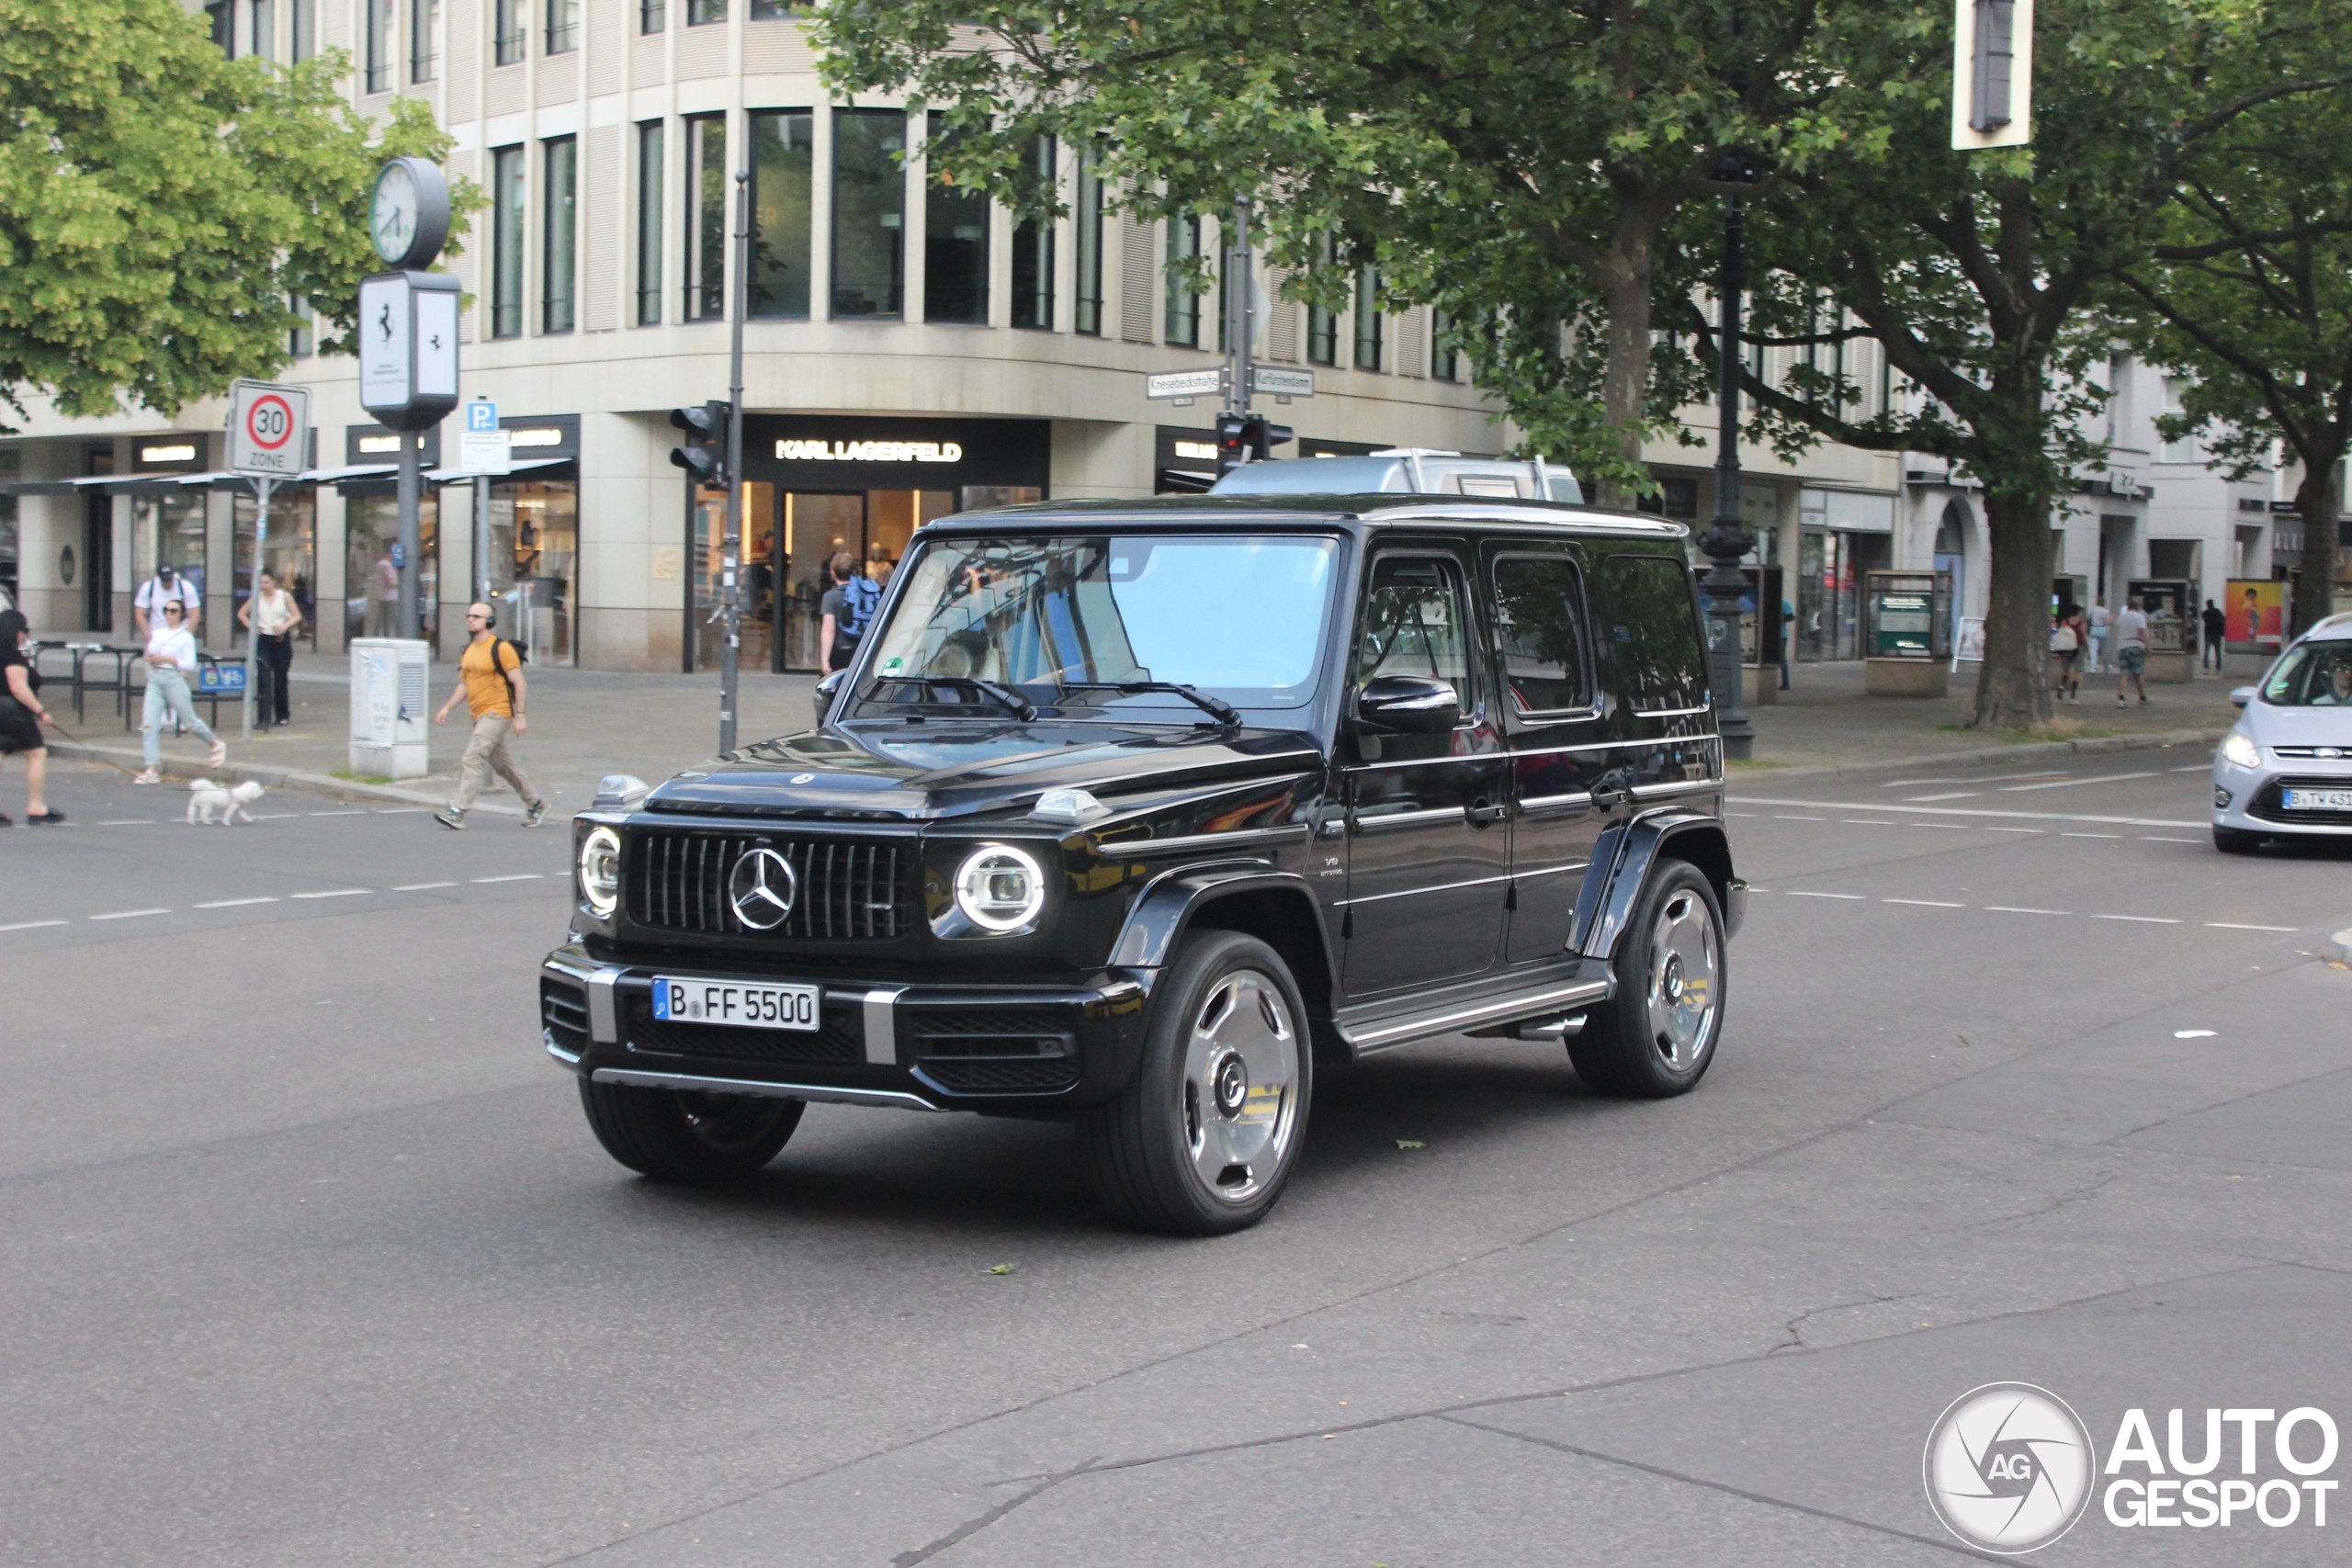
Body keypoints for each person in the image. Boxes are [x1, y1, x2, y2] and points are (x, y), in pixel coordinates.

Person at [431, 602, 548, 830]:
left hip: (498, 712)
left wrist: (520, 715)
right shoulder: (469, 651)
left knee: (472, 758)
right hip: (479, 713)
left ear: (490, 622)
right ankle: (536, 803)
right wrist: (446, 708)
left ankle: (458, 810)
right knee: (503, 765)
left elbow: (519, 682)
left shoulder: (501, 649)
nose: (471, 620)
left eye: (477, 616)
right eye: (469, 616)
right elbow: (464, 684)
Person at [133, 600, 226, 784]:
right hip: (155, 678)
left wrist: (168, 659)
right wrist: (151, 658)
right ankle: (151, 768)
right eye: (166, 610)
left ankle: (214, 743)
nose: (169, 614)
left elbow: (189, 664)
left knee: (190, 721)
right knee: (149, 724)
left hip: (174, 679)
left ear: (181, 614)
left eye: (173, 610)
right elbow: (149, 652)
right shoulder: (157, 633)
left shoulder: (185, 638)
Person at [0, 609, 65, 825]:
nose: (25, 636)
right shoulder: (12, 655)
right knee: (36, 754)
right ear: (15, 631)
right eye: (24, 631)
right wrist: (41, 712)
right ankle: (36, 806)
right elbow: (18, 687)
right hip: (13, 712)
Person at [237, 569, 302, 727]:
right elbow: (241, 614)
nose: (263, 586)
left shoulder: (284, 596)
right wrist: (253, 627)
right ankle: (263, 717)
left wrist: (285, 625)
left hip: (281, 639)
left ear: (273, 582)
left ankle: (282, 715)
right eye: (260, 583)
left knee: (280, 679)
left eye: (266, 582)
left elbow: (297, 615)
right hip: (264, 639)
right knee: (263, 678)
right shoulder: (256, 598)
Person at [818, 552, 880, 673]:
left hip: (840, 652)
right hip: (864, 651)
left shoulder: (830, 597)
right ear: (854, 572)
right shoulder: (867, 594)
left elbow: (828, 631)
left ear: (833, 573)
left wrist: (824, 661)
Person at [134, 561, 202, 640]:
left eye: (170, 580)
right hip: (156, 635)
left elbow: (194, 615)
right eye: (165, 581)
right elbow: (140, 614)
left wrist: (186, 637)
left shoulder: (186, 587)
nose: (168, 583)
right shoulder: (148, 587)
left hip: (180, 635)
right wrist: (148, 638)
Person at [2113, 593, 2152, 707]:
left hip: (2122, 646)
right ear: (2137, 608)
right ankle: (2142, 697)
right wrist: (2148, 646)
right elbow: (2141, 631)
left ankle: (2121, 698)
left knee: (2124, 673)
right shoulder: (2139, 617)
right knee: (2138, 673)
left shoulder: (2121, 618)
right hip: (2136, 645)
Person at [2050, 604, 2081, 702]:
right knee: (2077, 671)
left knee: (2066, 670)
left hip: (2065, 649)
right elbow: (2084, 635)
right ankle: (2073, 695)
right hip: (2077, 648)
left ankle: (2062, 686)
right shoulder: (2080, 623)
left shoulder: (2064, 622)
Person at [2086, 596, 2109, 674]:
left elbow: (2089, 619)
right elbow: (2106, 622)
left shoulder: (2093, 610)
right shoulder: (2106, 611)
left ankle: (2093, 667)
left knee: (2093, 650)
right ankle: (2106, 667)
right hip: (2103, 629)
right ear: (2104, 603)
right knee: (2103, 650)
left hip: (2094, 629)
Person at [2200, 598, 2227, 671]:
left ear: (2207, 605)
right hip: (2217, 634)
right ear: (2213, 604)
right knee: (2218, 651)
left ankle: (2206, 666)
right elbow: (2223, 620)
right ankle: (2218, 666)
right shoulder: (2217, 612)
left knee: (2206, 651)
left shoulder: (2205, 613)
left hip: (2208, 633)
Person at [1778, 596, 1794, 690]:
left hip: (1781, 635)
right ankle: (1785, 682)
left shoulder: (1784, 602)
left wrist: (1780, 620)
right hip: (1779, 634)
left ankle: (1785, 683)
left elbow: (1790, 616)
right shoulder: (1784, 602)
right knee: (1781, 659)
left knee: (1782, 659)